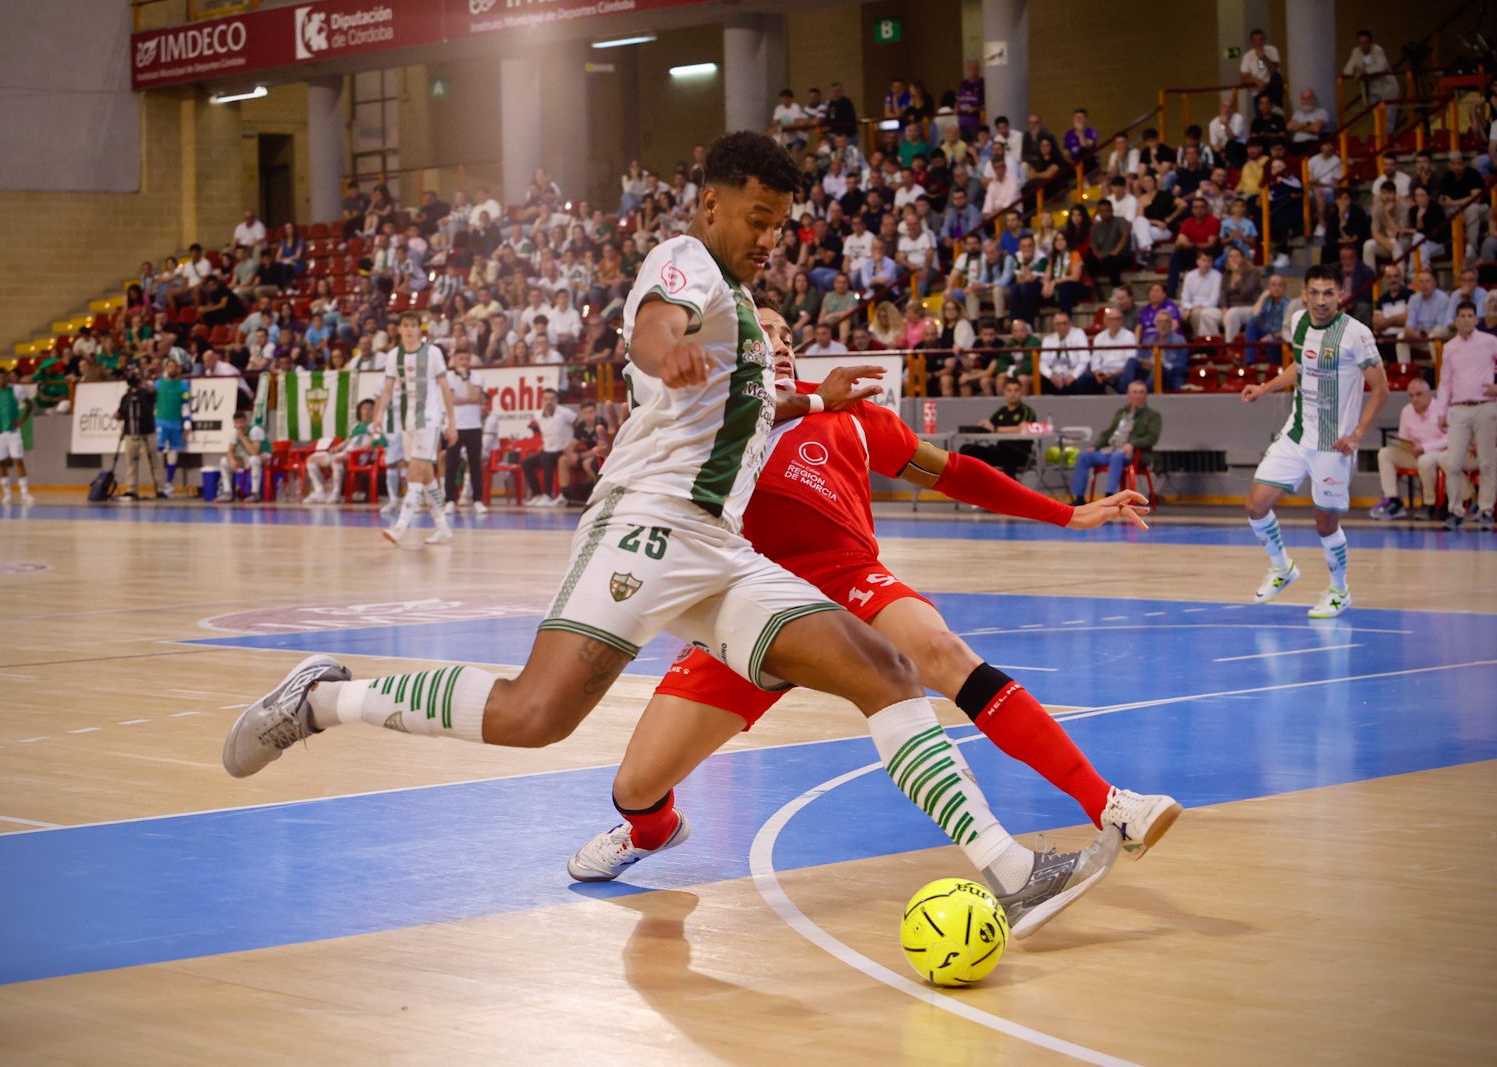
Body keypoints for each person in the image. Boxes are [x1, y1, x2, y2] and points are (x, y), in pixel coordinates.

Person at [221, 132, 1131, 928]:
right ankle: (323, 699)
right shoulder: (687, 264)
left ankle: (1013, 874)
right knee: (535, 716)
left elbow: (750, 398)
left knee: (883, 666)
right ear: (712, 203)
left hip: (719, 551)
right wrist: (668, 350)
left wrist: (814, 394)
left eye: (781, 226)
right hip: (645, 526)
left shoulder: (739, 301)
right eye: (758, 218)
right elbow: (655, 333)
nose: (770, 238)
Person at [565, 305, 1150, 935]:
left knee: (943, 653)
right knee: (636, 785)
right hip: (742, 602)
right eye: (764, 334)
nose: (782, 344)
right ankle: (651, 830)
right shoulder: (703, 419)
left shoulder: (851, 414)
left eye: (790, 334)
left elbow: (952, 472)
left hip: (846, 578)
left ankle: (1107, 804)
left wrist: (1067, 515)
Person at [1242, 264, 1388, 618]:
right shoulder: (1299, 322)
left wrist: (1356, 435)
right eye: (1315, 293)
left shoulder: (1356, 335)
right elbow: (1299, 367)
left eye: (1328, 293)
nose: (1321, 300)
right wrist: (1265, 387)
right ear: (1304, 294)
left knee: (1325, 524)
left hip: (1333, 444)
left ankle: (1339, 591)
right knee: (1255, 505)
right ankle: (1283, 568)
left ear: (1340, 295)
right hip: (1297, 433)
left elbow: (1381, 390)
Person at [376, 315, 457, 547]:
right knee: (426, 475)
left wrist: (452, 423)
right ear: (399, 329)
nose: (410, 330)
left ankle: (400, 527)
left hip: (429, 420)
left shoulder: (432, 353)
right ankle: (442, 526)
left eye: (414, 326)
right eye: (406, 326)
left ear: (419, 330)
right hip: (407, 421)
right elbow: (388, 389)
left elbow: (444, 388)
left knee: (414, 472)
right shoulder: (394, 356)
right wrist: (379, 414)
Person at [1435, 301, 1497, 530]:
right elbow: (1445, 383)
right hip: (1459, 408)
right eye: (1462, 316)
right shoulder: (1450, 347)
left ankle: (1486, 510)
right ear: (1456, 320)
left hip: (1486, 406)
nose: (1467, 319)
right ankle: (1455, 510)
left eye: (1470, 315)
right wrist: (1441, 412)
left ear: (1476, 318)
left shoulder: (1491, 342)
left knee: (1488, 461)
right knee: (1452, 462)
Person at [1370, 378, 1458, 520]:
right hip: (1414, 453)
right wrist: (1409, 444)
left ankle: (1429, 503)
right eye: (1411, 396)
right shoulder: (1407, 411)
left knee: (1425, 461)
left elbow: (1451, 438)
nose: (1414, 399)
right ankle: (1393, 500)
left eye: (1418, 394)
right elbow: (1403, 437)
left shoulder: (1442, 410)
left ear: (1429, 394)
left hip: (1438, 453)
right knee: (1385, 453)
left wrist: (1424, 447)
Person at [1070, 380, 1161, 504]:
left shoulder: (1153, 415)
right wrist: (1095, 446)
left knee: (1117, 456)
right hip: (1110, 450)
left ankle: (1110, 497)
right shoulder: (1121, 413)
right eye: (1135, 392)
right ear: (1128, 394)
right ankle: (1079, 498)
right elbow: (1107, 433)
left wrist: (1133, 444)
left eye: (1141, 392)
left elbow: (1152, 438)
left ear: (1146, 395)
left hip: (1133, 455)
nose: (1138, 395)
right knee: (1084, 456)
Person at [305, 400, 378, 504]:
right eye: (364, 408)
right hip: (345, 453)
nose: (366, 411)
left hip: (359, 457)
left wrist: (358, 450)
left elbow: (373, 444)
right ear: (360, 410)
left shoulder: (375, 426)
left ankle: (336, 492)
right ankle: (320, 491)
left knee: (337, 459)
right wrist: (336, 448)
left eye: (370, 409)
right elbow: (347, 441)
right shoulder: (356, 426)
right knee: (311, 459)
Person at [443, 350, 488, 514]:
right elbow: (452, 399)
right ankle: (450, 500)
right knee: (451, 464)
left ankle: (477, 500)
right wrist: (467, 400)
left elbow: (475, 397)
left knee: (475, 464)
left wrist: (465, 378)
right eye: (460, 359)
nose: (463, 362)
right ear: (454, 360)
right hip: (455, 426)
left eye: (467, 359)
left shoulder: (476, 377)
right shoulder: (447, 377)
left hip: (474, 426)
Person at [0, 368, 34, 505]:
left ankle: (24, 493)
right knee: (1, 462)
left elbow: (29, 404)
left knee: (18, 460)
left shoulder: (17, 390)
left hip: (13, 431)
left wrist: (23, 419)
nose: (1, 379)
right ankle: (7, 494)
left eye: (3, 377)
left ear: (8, 377)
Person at [522, 387, 576, 505]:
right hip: (547, 449)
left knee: (546, 458)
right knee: (526, 463)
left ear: (557, 400)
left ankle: (548, 495)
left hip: (562, 450)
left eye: (552, 399)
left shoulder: (565, 413)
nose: (549, 402)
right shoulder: (537, 415)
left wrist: (573, 441)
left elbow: (578, 422)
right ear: (542, 401)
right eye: (546, 399)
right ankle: (538, 494)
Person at [112, 371, 159, 502]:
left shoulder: (146, 393)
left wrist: (146, 384)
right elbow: (121, 413)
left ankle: (159, 488)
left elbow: (153, 394)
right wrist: (117, 415)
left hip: (147, 432)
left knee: (154, 461)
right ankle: (131, 489)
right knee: (131, 463)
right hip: (131, 433)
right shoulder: (125, 398)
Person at [1343, 29, 1399, 131]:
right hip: (1371, 91)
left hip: (1386, 89)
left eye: (1366, 43)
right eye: (1360, 43)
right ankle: (1381, 142)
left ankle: (1388, 141)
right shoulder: (1356, 52)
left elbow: (1381, 67)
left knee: (1388, 119)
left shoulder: (1378, 50)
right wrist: (1355, 70)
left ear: (1370, 42)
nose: (1363, 46)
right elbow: (1347, 70)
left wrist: (1364, 71)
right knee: (1377, 119)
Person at [152, 358, 191, 498]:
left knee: (173, 454)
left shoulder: (184, 385)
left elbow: (186, 405)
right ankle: (158, 482)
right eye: (169, 366)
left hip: (176, 423)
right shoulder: (158, 384)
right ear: (165, 368)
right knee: (159, 452)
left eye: (174, 366)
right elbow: (152, 403)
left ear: (178, 369)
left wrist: (187, 424)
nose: (172, 368)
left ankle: (168, 483)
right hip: (160, 422)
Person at [1087, 306, 1138, 393]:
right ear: (1105, 320)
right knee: (1085, 379)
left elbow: (1130, 362)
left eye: (1117, 319)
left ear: (1122, 320)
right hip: (1103, 373)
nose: (1114, 322)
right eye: (1111, 319)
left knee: (1124, 377)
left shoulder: (1129, 336)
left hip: (1120, 372)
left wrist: (1113, 374)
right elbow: (1095, 361)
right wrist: (1098, 373)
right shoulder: (1099, 337)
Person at [216, 410, 264, 502]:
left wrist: (242, 437)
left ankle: (255, 493)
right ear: (234, 424)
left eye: (241, 421)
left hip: (260, 457)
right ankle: (227, 493)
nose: (239, 425)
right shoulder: (234, 433)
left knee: (254, 459)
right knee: (224, 461)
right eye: (237, 422)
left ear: (246, 421)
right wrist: (232, 461)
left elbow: (254, 452)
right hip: (244, 459)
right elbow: (229, 451)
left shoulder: (254, 430)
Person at [1040, 312, 1092, 394]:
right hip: (1055, 375)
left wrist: (1073, 376)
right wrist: (1051, 375)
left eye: (1065, 323)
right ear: (1054, 326)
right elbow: (1042, 364)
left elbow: (1084, 359)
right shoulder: (1048, 340)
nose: (1062, 326)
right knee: (1041, 378)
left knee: (1082, 380)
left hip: (1074, 374)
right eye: (1059, 324)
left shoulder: (1079, 334)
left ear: (1070, 323)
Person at [1239, 28, 1283, 104]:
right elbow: (1243, 78)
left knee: (1276, 76)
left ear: (1265, 40)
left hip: (1272, 87)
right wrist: (1255, 80)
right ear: (1252, 42)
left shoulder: (1272, 50)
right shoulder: (1247, 56)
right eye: (1256, 40)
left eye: (1261, 39)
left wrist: (1263, 58)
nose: (1259, 42)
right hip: (1258, 91)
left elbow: (1274, 70)